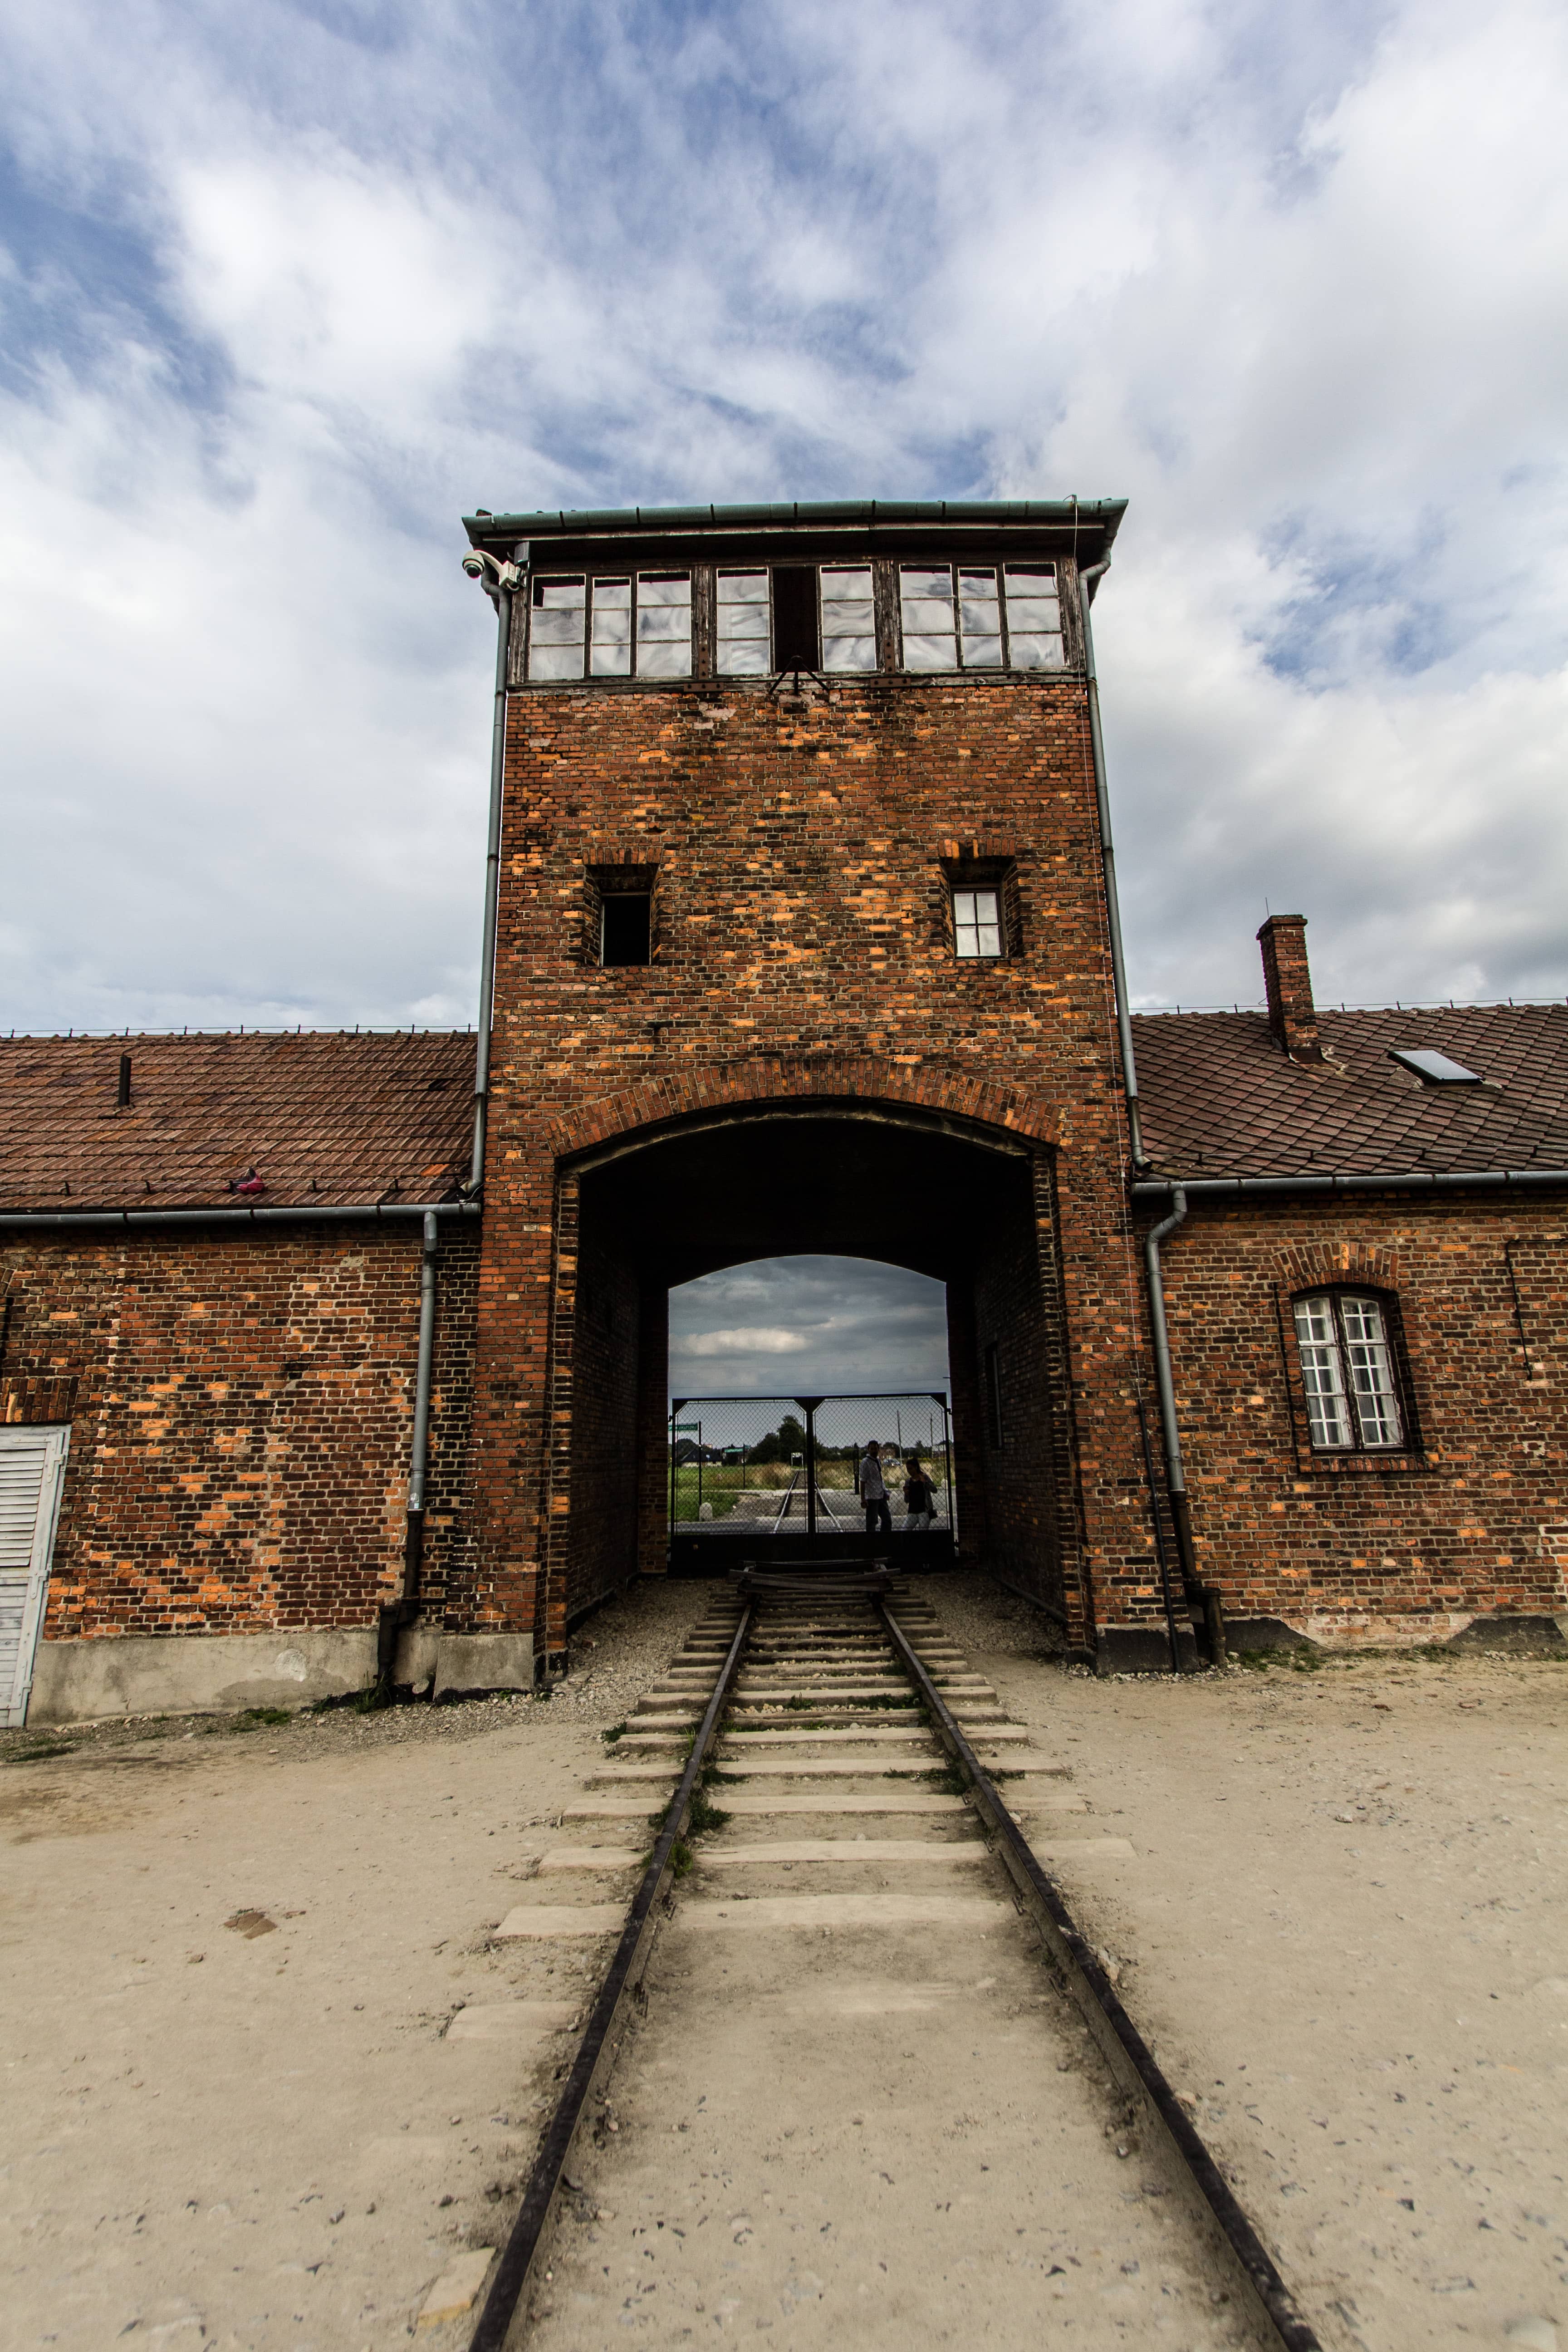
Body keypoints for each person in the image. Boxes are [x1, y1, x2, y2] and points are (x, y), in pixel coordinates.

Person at [858, 1441, 892, 1538]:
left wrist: (885, 1491)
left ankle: (884, 1539)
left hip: (881, 1495)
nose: (874, 1451)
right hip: (872, 1496)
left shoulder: (877, 1461)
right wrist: (863, 1498)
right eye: (872, 1449)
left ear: (879, 1449)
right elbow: (862, 1481)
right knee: (872, 1522)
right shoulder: (866, 1462)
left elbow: (880, 1479)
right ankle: (872, 1541)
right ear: (868, 1450)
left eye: (876, 1448)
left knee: (887, 1519)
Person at [903, 1455, 936, 1530]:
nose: (909, 1471)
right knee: (904, 1530)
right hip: (912, 1511)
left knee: (923, 1533)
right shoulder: (908, 1481)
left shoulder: (924, 1477)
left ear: (916, 1468)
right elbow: (907, 1500)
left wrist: (926, 1483)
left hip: (924, 1511)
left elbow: (935, 1490)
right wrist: (906, 1494)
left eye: (911, 1469)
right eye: (908, 1469)